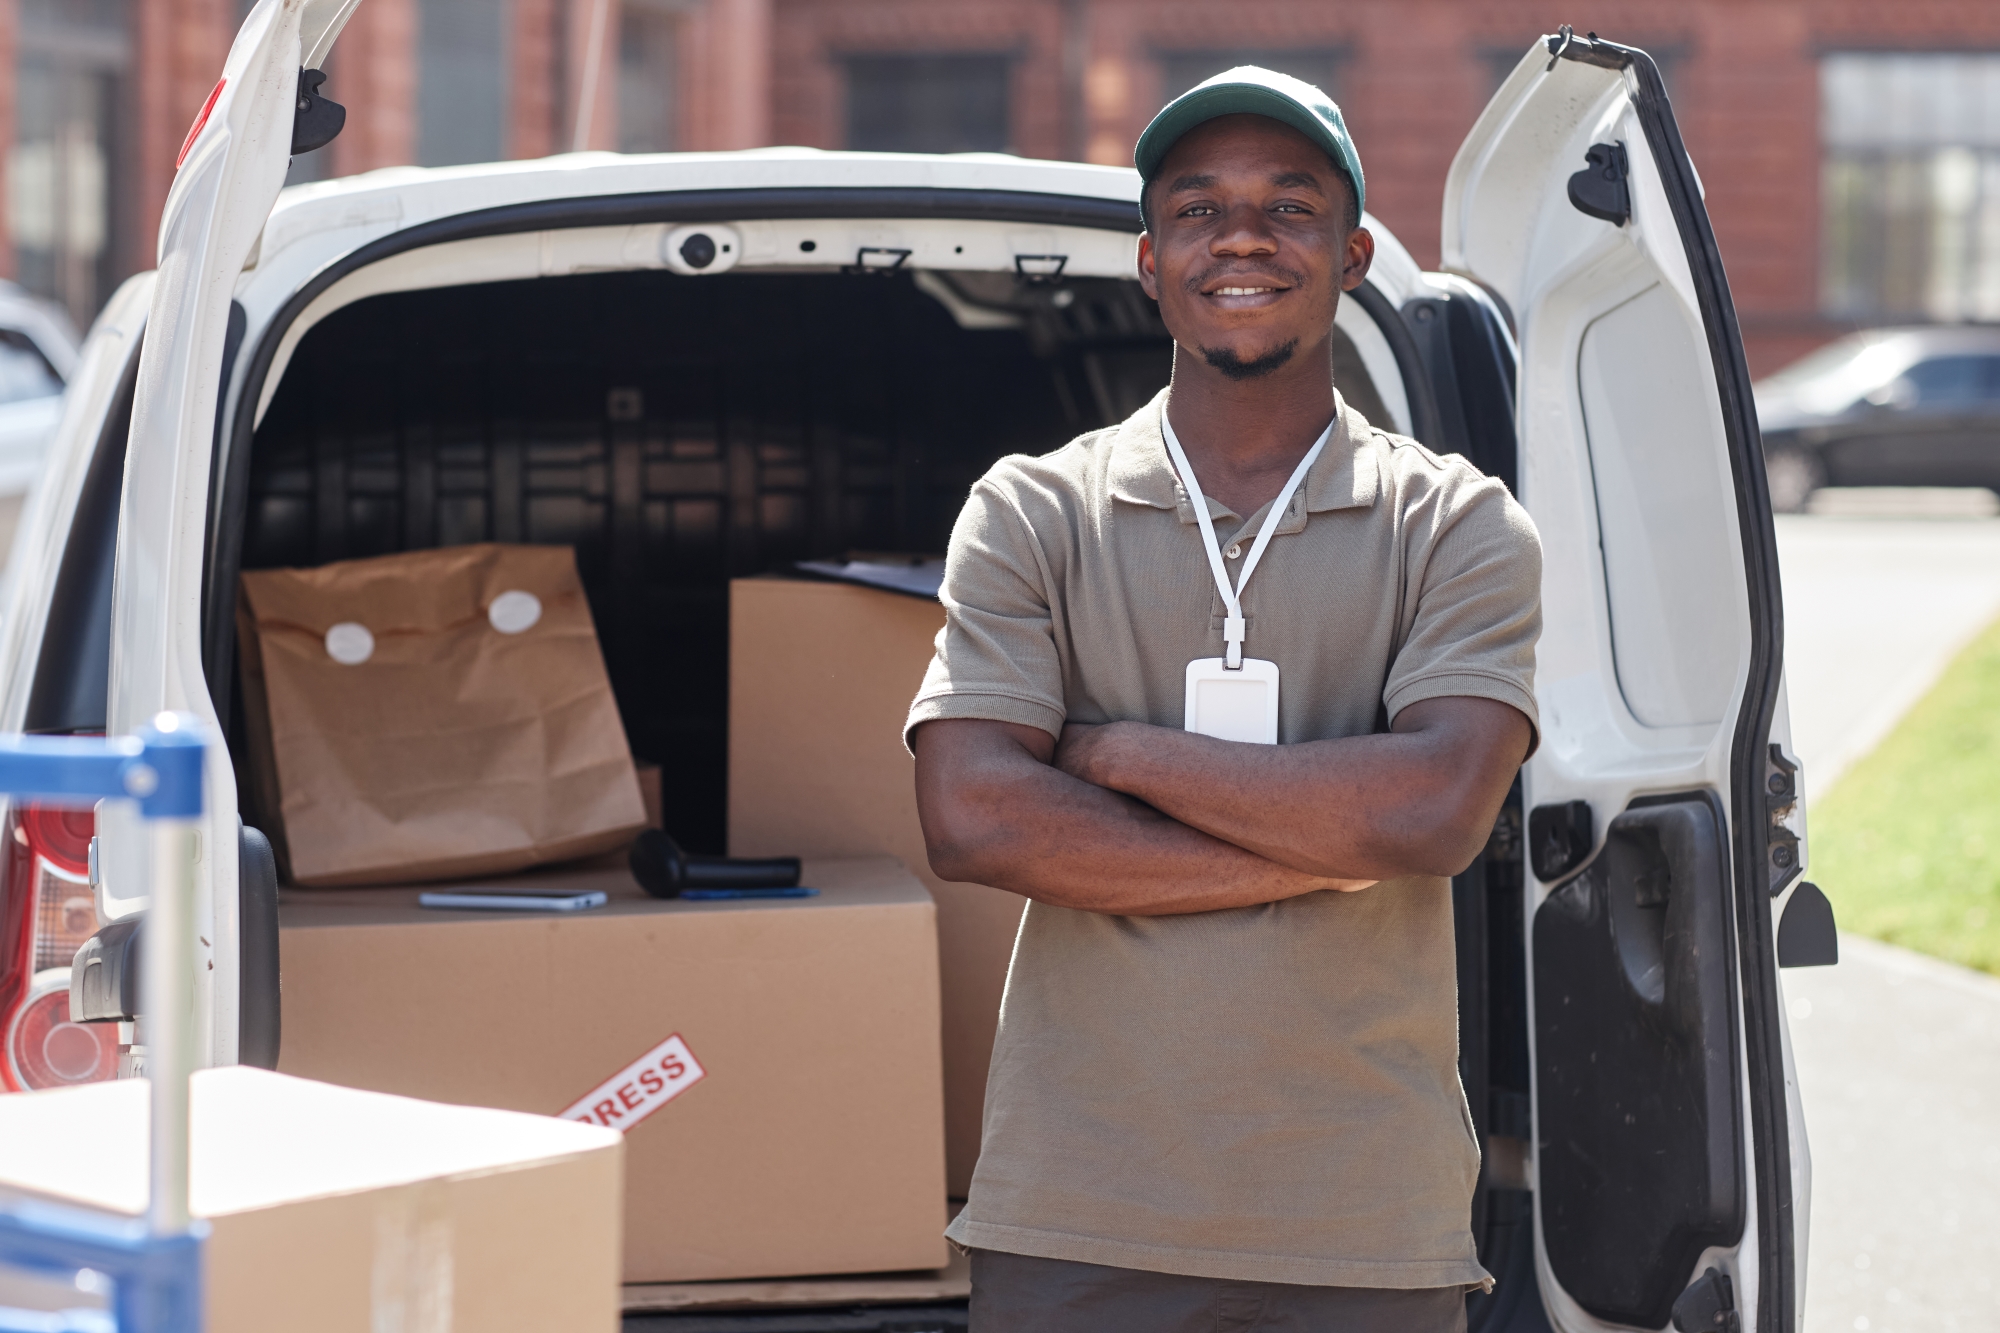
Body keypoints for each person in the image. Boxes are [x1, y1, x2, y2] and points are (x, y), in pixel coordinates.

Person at [906, 66, 1541, 1333]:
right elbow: (972, 817)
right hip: (1075, 1212)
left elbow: (1427, 818)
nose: (1241, 237)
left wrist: (1116, 751)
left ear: (1351, 254)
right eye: (1197, 210)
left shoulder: (1456, 522)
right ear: (1149, 261)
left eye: (1288, 206)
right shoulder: (1033, 509)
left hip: (1362, 1218)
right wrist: (1325, 842)